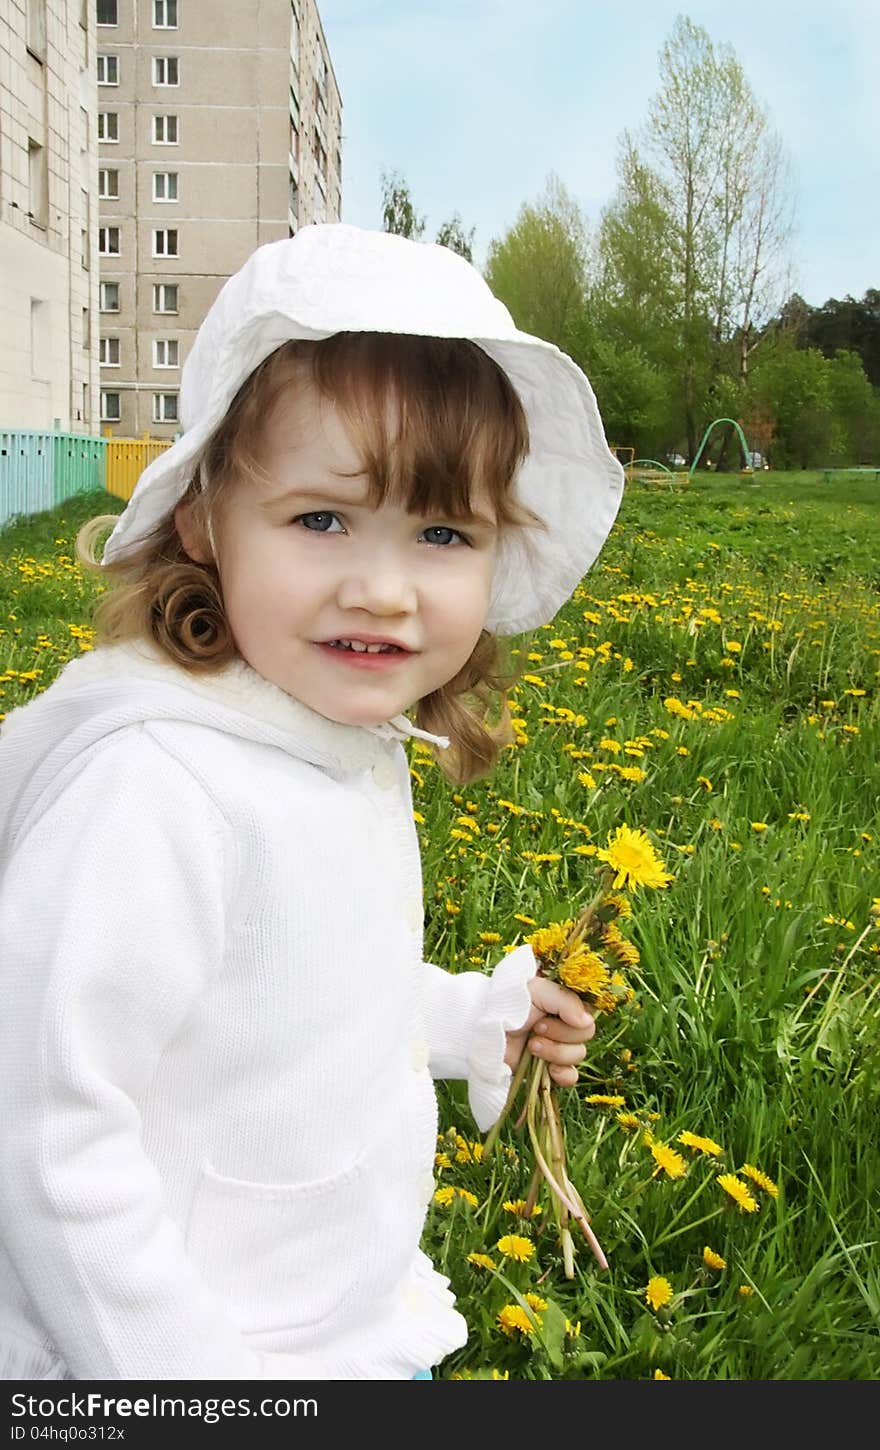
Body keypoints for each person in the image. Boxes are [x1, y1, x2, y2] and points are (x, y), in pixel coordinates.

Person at [0, 224, 624, 1381]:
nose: (381, 588)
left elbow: (308, 993)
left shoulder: (331, 734)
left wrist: (473, 1020)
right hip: (166, 1351)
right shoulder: (157, 788)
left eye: (441, 533)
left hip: (316, 1315)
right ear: (201, 518)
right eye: (321, 519)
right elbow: (41, 1135)